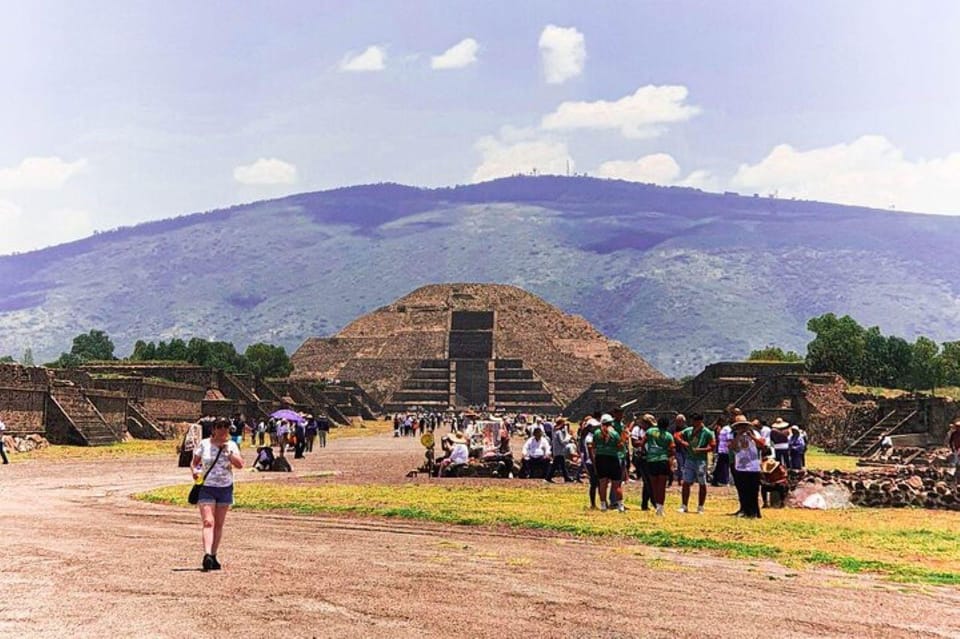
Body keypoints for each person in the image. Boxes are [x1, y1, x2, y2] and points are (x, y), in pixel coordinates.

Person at [191, 416, 243, 571]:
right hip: (207, 487)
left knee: (219, 524)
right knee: (208, 521)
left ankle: (213, 555)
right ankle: (206, 555)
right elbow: (195, 462)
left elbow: (240, 465)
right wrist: (195, 471)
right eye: (220, 427)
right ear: (213, 429)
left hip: (225, 487)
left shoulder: (232, 445)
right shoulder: (204, 444)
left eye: (226, 427)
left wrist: (229, 453)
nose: (223, 430)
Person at [676, 412, 715, 514]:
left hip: (701, 460)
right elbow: (677, 435)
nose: (692, 422)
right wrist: (682, 442)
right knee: (686, 482)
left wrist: (701, 450)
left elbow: (712, 446)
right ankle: (684, 505)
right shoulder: (688, 430)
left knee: (702, 483)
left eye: (694, 421)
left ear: (700, 421)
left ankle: (700, 506)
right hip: (689, 459)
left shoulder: (707, 432)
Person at [730, 415, 765, 518]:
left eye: (744, 426)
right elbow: (734, 448)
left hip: (753, 466)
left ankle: (755, 512)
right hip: (741, 466)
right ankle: (745, 510)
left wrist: (752, 436)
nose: (742, 428)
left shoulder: (755, 434)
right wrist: (738, 436)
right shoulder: (735, 435)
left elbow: (762, 444)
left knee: (753, 490)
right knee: (743, 490)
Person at [641, 416, 676, 517]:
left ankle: (656, 505)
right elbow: (672, 449)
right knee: (661, 487)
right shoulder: (668, 436)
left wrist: (646, 452)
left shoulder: (650, 431)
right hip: (663, 461)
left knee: (654, 486)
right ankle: (660, 508)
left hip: (651, 460)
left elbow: (643, 443)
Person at [589, 414, 625, 512]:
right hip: (613, 458)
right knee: (617, 484)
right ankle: (620, 506)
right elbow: (620, 446)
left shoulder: (597, 433)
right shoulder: (615, 433)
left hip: (600, 458)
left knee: (602, 483)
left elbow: (593, 446)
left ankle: (603, 505)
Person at [579, 416, 600, 508]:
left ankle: (601, 501)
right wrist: (595, 465)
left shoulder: (593, 436)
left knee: (599, 483)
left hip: (594, 461)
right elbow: (591, 453)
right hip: (592, 462)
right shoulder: (589, 438)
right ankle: (593, 503)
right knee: (594, 483)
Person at [547, 419, 574, 483]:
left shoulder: (554, 430)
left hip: (557, 451)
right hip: (559, 451)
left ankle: (566, 477)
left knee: (560, 465)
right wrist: (568, 438)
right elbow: (562, 442)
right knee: (558, 465)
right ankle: (549, 477)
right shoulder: (558, 432)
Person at [711, 416, 731, 487]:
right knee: (721, 465)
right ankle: (722, 480)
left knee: (719, 465)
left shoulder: (721, 428)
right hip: (721, 449)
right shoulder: (719, 428)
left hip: (720, 448)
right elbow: (719, 438)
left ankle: (715, 479)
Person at [947, 421, 960, 487]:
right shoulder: (953, 433)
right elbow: (950, 442)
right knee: (956, 461)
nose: (958, 428)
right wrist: (952, 449)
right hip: (957, 449)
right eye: (957, 427)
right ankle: (955, 477)